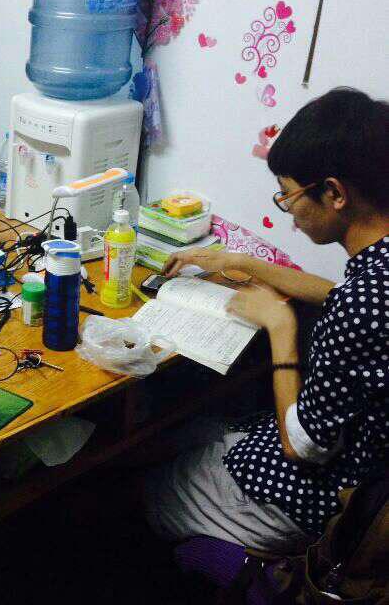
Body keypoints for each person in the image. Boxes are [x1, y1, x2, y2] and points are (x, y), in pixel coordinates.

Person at [143, 88, 388, 553]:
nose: (289, 211)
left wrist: (280, 326)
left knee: (155, 489)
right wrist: (241, 262)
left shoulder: (361, 305)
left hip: (325, 498)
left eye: (287, 195)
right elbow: (338, 295)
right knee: (189, 432)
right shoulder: (377, 277)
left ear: (334, 193)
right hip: (358, 463)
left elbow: (302, 446)